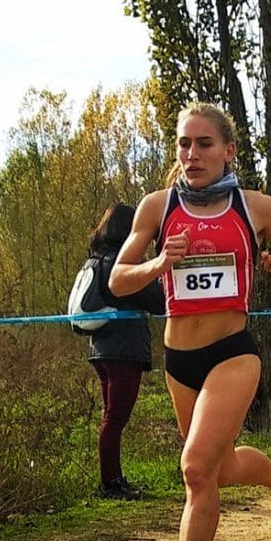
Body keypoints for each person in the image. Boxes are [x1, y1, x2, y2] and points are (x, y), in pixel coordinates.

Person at [110, 102, 271, 541]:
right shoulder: (157, 208)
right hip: (180, 360)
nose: (191, 154)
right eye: (183, 144)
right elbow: (117, 279)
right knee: (217, 468)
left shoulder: (255, 207)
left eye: (204, 144)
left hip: (232, 353)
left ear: (229, 151)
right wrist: (160, 264)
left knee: (196, 469)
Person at [84, 204, 166, 500]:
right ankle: (111, 484)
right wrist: (157, 269)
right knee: (115, 419)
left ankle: (114, 479)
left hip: (101, 349)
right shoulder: (122, 265)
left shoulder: (96, 261)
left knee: (111, 417)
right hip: (123, 351)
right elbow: (157, 301)